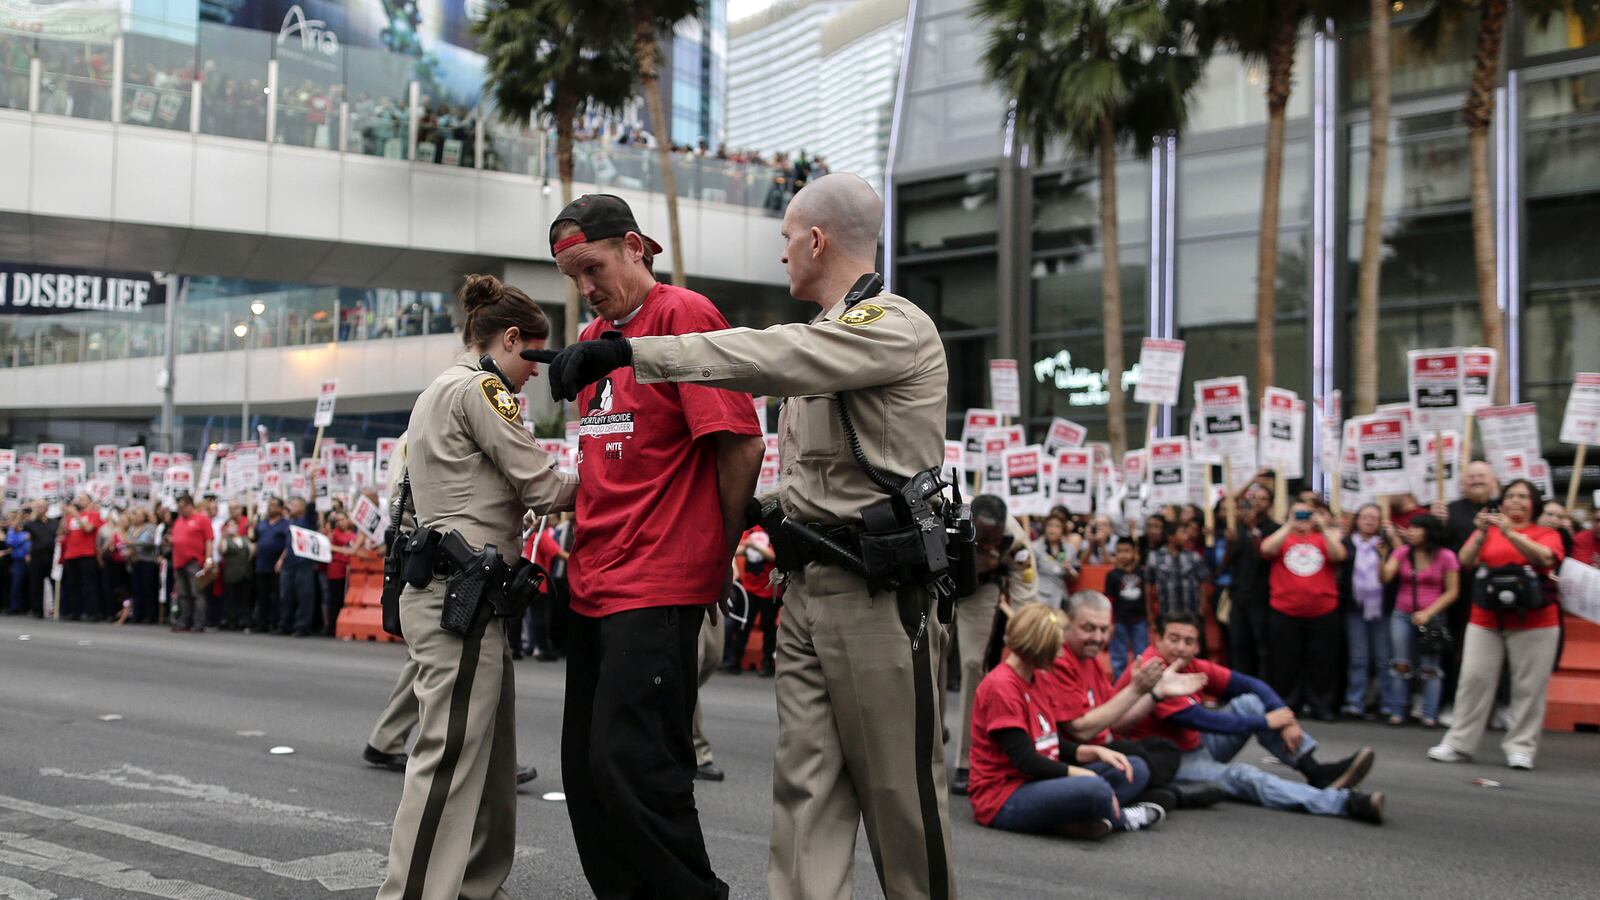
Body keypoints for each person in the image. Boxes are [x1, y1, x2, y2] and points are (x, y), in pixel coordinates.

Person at [531, 174, 957, 900]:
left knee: (900, 801)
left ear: (816, 239)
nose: (782, 251)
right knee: (805, 797)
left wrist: (634, 355)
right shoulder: (823, 337)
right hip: (809, 588)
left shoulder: (890, 324)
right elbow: (803, 471)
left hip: (880, 597)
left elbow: (772, 364)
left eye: (787, 236)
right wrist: (758, 510)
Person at [540, 193, 765, 900]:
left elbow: (742, 443)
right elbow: (610, 464)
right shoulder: (597, 338)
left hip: (659, 581)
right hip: (593, 580)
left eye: (593, 266)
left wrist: (713, 548)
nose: (585, 287)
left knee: (634, 766)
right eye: (571, 274)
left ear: (636, 247)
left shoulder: (684, 317)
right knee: (586, 772)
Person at [377, 274, 577, 900]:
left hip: (460, 595)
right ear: (510, 338)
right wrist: (622, 470)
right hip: (459, 598)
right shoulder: (480, 389)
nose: (536, 375)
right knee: (447, 763)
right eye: (535, 358)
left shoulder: (440, 389)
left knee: (489, 761)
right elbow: (544, 486)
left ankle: (475, 886)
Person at [1119, 612, 1385, 823]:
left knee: (1251, 703)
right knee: (1245, 776)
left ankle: (1314, 770)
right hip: (1166, 760)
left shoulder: (1189, 663)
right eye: (1173, 639)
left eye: (1188, 642)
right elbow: (1200, 719)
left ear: (1198, 645)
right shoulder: (1153, 669)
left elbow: (1251, 685)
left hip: (1196, 745)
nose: (1180, 647)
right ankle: (1344, 803)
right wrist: (1267, 722)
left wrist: (1285, 717)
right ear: (1157, 639)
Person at [967, 603, 1165, 839]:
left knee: (1134, 768)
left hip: (1038, 781)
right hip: (1004, 796)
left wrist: (1091, 752)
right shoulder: (1001, 687)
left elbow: (1047, 740)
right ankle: (1120, 818)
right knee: (1095, 788)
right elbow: (1026, 762)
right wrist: (1082, 775)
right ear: (1039, 647)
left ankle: (1076, 819)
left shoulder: (1037, 676)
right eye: (1057, 648)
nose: (1061, 654)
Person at [1034, 591, 1225, 812]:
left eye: (1104, 630)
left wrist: (1156, 695)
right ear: (1067, 625)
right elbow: (1081, 730)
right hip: (1076, 755)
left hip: (1104, 748)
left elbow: (1115, 722)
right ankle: (1167, 794)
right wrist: (1137, 689)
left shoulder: (1091, 659)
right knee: (1137, 762)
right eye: (1088, 628)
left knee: (1164, 750)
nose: (1097, 637)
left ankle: (1148, 792)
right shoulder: (1061, 660)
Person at [1428, 479, 1564, 770]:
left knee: (1528, 687)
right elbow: (1464, 560)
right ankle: (1459, 742)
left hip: (1535, 621)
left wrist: (1510, 533)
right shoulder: (1487, 532)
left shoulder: (1547, 533)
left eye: (1523, 497)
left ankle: (1521, 747)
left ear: (1534, 504)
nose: (1515, 501)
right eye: (1510, 496)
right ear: (1500, 503)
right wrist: (1480, 532)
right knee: (1473, 679)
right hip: (1486, 617)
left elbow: (1543, 557)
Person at [949, 495, 1039, 796]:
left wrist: (1027, 632)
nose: (989, 546)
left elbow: (1026, 589)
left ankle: (966, 759)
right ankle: (932, 734)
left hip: (981, 589)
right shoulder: (942, 513)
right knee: (928, 660)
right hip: (938, 583)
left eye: (994, 540)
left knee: (973, 664)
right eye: (983, 539)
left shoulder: (1016, 540)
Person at [1260, 500, 1347, 720]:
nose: (1302, 519)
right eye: (1297, 514)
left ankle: (1322, 705)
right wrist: (1288, 525)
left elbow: (1339, 556)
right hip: (1285, 610)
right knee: (1285, 663)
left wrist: (1324, 527)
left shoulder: (1324, 537)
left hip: (1323, 611)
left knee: (1323, 663)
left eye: (1306, 515)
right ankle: (1288, 705)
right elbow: (1266, 549)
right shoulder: (1283, 537)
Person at [1381, 513, 1459, 727]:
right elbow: (1386, 578)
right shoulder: (1402, 552)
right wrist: (1382, 557)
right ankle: (1397, 711)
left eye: (1416, 528)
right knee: (1400, 664)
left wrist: (1429, 613)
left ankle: (1429, 714)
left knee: (1430, 667)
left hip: (1432, 617)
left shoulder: (1446, 556)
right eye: (1410, 528)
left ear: (1429, 532)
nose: (1410, 532)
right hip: (1402, 614)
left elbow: (1453, 591)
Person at [1339, 504, 1392, 719]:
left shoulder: (1386, 545)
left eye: (1374, 518)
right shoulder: (1346, 543)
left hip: (1382, 608)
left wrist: (1387, 545)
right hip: (1355, 608)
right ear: (1357, 520)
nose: (1369, 521)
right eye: (1365, 517)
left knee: (1383, 658)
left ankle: (1389, 702)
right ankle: (1355, 702)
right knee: (1358, 658)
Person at [1222, 486, 1280, 677]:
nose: (1257, 502)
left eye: (1262, 499)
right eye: (1254, 497)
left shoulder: (1275, 529)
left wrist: (1253, 530)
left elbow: (1265, 556)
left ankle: (1263, 689)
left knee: (1262, 647)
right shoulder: (1238, 527)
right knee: (1238, 645)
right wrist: (1230, 543)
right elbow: (1225, 564)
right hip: (1239, 596)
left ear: (1270, 504)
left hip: (1262, 598)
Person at [725, 525, 777, 676]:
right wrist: (749, 546)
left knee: (768, 627)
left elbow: (773, 556)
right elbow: (737, 549)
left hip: (769, 589)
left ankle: (767, 664)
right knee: (744, 625)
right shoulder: (752, 528)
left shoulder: (773, 527)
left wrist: (753, 545)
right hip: (749, 587)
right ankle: (735, 661)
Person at [1103, 541, 1149, 681]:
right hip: (1119, 621)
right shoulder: (1112, 575)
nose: (1123, 555)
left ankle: (1141, 682)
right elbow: (1109, 600)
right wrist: (1110, 622)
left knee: (1141, 654)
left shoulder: (1142, 572)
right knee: (1118, 656)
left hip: (1139, 620)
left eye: (1127, 551)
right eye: (1120, 551)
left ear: (1134, 552)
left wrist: (1150, 619)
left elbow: (1148, 597)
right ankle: (1119, 683)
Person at [169, 493, 215, 633]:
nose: (180, 510)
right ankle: (184, 621)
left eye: (182, 507)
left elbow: (209, 539)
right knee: (183, 594)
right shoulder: (178, 520)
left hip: (194, 562)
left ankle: (199, 622)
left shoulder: (202, 519)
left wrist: (208, 559)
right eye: (179, 507)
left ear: (190, 505)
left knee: (197, 593)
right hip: (179, 562)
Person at [275, 497, 319, 637]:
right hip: (289, 564)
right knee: (286, 596)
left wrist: (312, 480)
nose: (290, 506)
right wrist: (281, 559)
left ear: (301, 507)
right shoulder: (290, 523)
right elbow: (289, 544)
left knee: (304, 596)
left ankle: (302, 626)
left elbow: (312, 503)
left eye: (293, 504)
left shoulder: (308, 520)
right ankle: (285, 624)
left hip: (304, 564)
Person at [692, 609, 727, 782]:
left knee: (714, 657)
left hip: (712, 586)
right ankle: (697, 752)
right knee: (691, 668)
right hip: (684, 588)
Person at [57, 495, 102, 621]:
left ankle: (92, 612)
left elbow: (88, 528)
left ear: (89, 501)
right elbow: (62, 532)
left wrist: (75, 513)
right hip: (71, 554)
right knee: (73, 584)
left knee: (89, 585)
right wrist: (65, 514)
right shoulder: (71, 516)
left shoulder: (93, 514)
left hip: (87, 554)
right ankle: (74, 611)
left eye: (82, 499)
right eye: (78, 499)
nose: (78, 501)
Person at [252, 497, 289, 634]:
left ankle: (276, 623)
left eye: (273, 505)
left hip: (277, 565)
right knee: (262, 596)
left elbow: (287, 544)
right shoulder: (262, 523)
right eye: (269, 505)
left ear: (280, 508)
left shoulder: (286, 524)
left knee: (277, 596)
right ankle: (262, 623)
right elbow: (255, 539)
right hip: (262, 564)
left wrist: (281, 559)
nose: (270, 507)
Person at [323, 510, 358, 636]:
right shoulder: (334, 534)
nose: (340, 522)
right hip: (336, 571)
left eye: (342, 519)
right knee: (334, 600)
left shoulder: (355, 535)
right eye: (337, 520)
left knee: (345, 600)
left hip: (350, 571)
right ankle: (332, 627)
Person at [1032, 513, 1079, 609]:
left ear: (1063, 530)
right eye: (1050, 525)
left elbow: (1075, 576)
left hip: (1061, 596)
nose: (1052, 530)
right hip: (1040, 596)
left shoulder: (1069, 548)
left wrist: (1069, 570)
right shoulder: (1035, 547)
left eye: (1057, 526)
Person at [21, 501, 56, 619]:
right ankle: (37, 610)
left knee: (54, 582)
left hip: (51, 556)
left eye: (42, 506)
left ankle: (56, 609)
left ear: (47, 508)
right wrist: (22, 512)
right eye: (38, 507)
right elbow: (16, 528)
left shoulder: (54, 523)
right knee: (36, 584)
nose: (40, 509)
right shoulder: (30, 523)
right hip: (36, 557)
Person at [218, 519, 253, 630]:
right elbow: (222, 550)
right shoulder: (225, 540)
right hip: (231, 573)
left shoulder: (245, 538)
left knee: (245, 599)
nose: (232, 527)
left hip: (245, 572)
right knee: (231, 598)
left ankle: (245, 622)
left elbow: (251, 553)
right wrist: (224, 535)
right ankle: (232, 622)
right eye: (230, 525)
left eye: (234, 524)